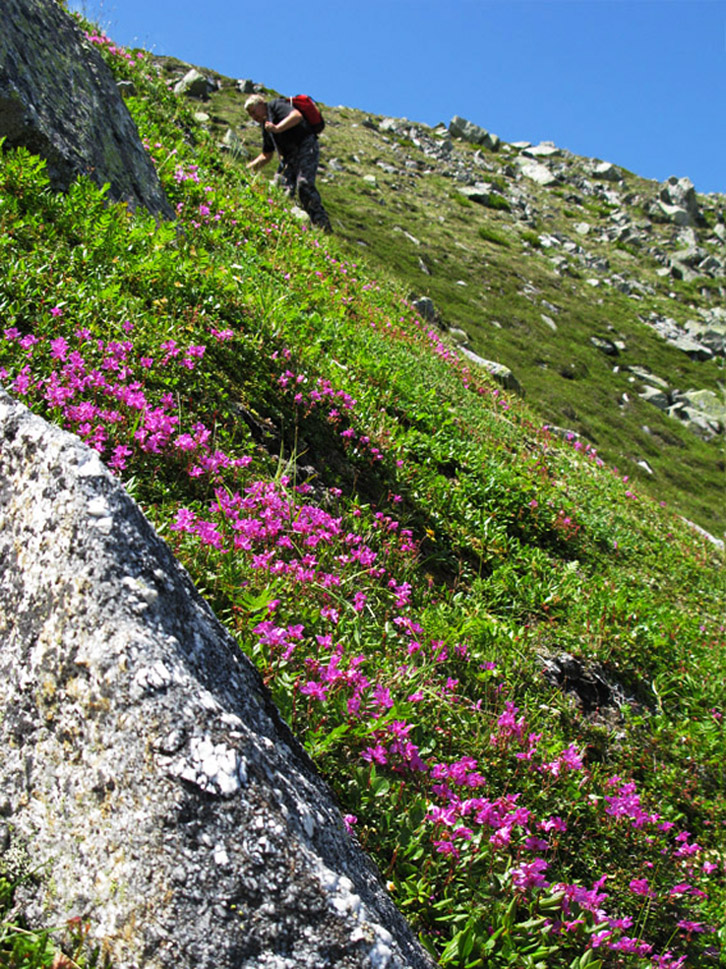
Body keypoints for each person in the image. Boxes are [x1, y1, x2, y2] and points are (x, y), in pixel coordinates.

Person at [245, 94, 332, 233]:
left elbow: (297, 116)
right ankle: (284, 224)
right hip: (289, 157)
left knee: (304, 184)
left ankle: (322, 226)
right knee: (279, 187)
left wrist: (277, 128)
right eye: (250, 114)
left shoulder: (275, 106)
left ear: (261, 104)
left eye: (253, 111)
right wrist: (248, 168)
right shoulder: (265, 127)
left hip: (305, 146)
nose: (253, 116)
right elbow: (266, 155)